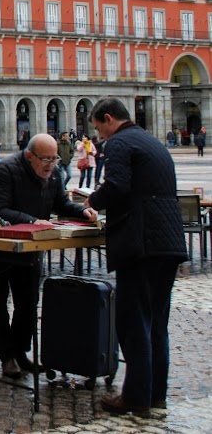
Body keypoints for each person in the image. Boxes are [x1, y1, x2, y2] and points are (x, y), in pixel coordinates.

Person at [87, 98, 187, 416]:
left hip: (140, 241)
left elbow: (117, 186)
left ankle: (136, 397)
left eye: (98, 128)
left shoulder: (119, 144)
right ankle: (156, 394)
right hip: (169, 241)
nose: (99, 135)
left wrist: (93, 200)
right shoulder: (153, 143)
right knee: (157, 321)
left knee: (134, 322)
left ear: (108, 119)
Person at [0, 134, 98, 378]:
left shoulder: (54, 174)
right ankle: (7, 357)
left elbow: (61, 204)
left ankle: (20, 351)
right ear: (29, 156)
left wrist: (83, 211)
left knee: (27, 302)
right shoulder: (6, 170)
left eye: (54, 158)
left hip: (31, 251)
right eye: (44, 159)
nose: (50, 164)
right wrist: (32, 221)